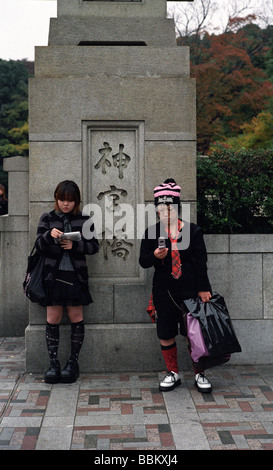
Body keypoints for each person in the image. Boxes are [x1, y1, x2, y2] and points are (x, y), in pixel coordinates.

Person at [139, 178, 213, 394]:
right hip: (164, 290)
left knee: (194, 333)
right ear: (157, 210)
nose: (166, 211)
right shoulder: (152, 233)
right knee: (166, 331)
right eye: (161, 208)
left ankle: (200, 372)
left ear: (178, 208)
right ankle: (172, 372)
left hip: (190, 290)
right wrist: (154, 255)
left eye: (170, 207)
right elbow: (143, 261)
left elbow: (201, 262)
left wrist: (203, 288)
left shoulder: (193, 231)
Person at [35, 180, 99, 384]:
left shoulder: (85, 220)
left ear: (76, 202)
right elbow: (37, 245)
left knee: (75, 316)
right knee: (53, 317)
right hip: (52, 277)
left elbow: (94, 247)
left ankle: (73, 363)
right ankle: (53, 363)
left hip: (75, 276)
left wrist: (75, 245)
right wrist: (48, 235)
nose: (65, 204)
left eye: (70, 201)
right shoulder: (48, 218)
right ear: (56, 198)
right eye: (62, 199)